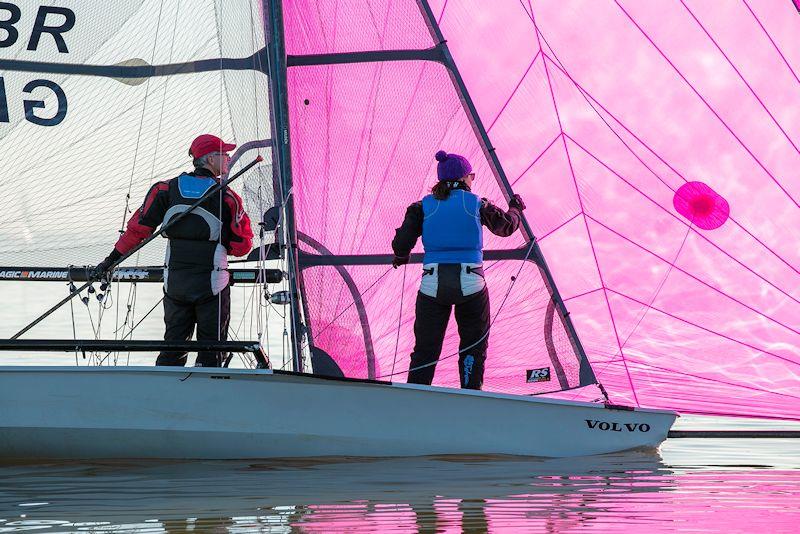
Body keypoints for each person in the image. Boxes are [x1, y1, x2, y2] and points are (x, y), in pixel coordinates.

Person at [95, 134, 254, 367]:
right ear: (210, 160)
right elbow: (243, 246)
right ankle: (209, 388)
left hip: (175, 284)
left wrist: (108, 263)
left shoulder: (164, 189)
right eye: (225, 154)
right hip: (213, 286)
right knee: (212, 354)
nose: (229, 158)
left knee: (173, 349)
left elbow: (137, 232)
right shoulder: (227, 196)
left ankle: (165, 392)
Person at [391, 150, 525, 390]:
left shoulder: (422, 206)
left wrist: (401, 256)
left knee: (426, 349)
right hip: (470, 284)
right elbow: (506, 227)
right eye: (471, 175)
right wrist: (516, 209)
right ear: (465, 178)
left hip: (433, 286)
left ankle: (414, 400)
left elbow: (401, 243)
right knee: (473, 346)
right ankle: (470, 396)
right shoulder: (477, 203)